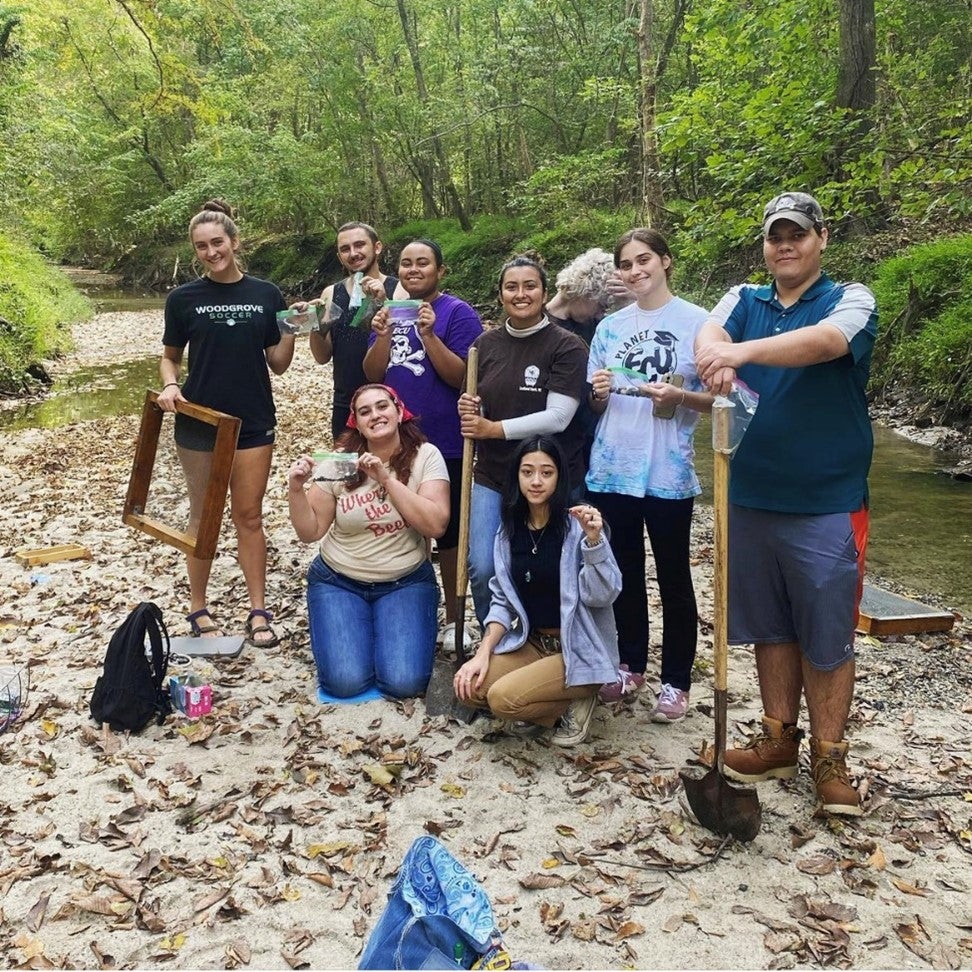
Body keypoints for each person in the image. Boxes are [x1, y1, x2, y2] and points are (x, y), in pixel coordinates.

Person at [694, 191, 877, 817]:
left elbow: (826, 343)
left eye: (797, 234)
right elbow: (709, 330)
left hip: (827, 499)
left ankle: (830, 756)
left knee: (826, 634)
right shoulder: (744, 300)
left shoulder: (850, 299)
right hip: (749, 493)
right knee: (769, 625)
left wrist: (737, 354)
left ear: (821, 238)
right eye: (776, 236)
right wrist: (714, 351)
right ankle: (777, 739)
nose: (785, 245)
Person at [586, 228, 713, 719]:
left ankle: (677, 681)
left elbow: (723, 398)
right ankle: (630, 664)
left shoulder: (700, 323)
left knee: (675, 576)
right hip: (614, 465)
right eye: (626, 264)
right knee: (626, 573)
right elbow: (596, 401)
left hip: (668, 470)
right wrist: (598, 392)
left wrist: (680, 397)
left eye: (644, 261)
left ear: (666, 261)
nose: (635, 271)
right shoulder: (610, 327)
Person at [159, 199, 294, 647]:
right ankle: (198, 608)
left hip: (253, 420)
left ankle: (258, 611)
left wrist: (295, 326)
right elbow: (169, 358)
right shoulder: (183, 299)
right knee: (204, 516)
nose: (211, 251)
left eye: (218, 242)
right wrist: (171, 386)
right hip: (200, 420)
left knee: (249, 515)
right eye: (201, 246)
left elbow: (278, 364)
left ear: (234, 242)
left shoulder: (266, 294)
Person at [453, 437, 621, 746]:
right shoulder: (509, 532)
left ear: (560, 478)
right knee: (469, 687)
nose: (536, 481)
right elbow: (501, 601)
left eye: (547, 472)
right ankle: (551, 706)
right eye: (527, 472)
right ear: (516, 477)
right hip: (533, 643)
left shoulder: (577, 529)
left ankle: (579, 698)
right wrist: (482, 653)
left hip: (577, 649)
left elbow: (604, 595)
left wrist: (595, 543)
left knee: (503, 700)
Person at [287, 384, 450, 699]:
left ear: (399, 411)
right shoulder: (340, 462)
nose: (375, 415)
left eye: (382, 406)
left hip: (405, 580)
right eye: (365, 412)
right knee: (345, 683)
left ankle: (388, 628)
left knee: (404, 683)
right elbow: (310, 531)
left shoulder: (426, 456)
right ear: (356, 423)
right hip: (339, 579)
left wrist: (386, 479)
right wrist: (296, 489)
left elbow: (436, 524)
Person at [364, 239, 483, 651]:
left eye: (423, 263)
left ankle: (453, 618)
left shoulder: (458, 312)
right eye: (407, 264)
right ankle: (405, 603)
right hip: (395, 441)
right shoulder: (389, 312)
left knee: (446, 533)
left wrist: (429, 335)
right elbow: (372, 374)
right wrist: (381, 335)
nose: (414, 270)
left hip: (446, 439)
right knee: (399, 522)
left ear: (440, 270)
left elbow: (464, 377)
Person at [458, 254, 589, 625]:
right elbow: (477, 403)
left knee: (551, 566)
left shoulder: (567, 346)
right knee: (483, 565)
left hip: (549, 477)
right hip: (494, 474)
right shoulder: (483, 345)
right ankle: (493, 641)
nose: (520, 294)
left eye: (529, 286)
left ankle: (550, 637)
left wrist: (493, 429)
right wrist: (471, 411)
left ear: (544, 293)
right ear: (500, 295)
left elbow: (559, 417)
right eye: (511, 287)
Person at [309, 222, 400, 439]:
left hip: (389, 403)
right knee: (348, 472)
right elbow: (322, 356)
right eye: (345, 249)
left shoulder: (398, 289)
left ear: (377, 247)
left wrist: (382, 302)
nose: (353, 253)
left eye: (360, 245)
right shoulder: (331, 293)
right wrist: (316, 322)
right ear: (339, 256)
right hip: (346, 403)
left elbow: (404, 342)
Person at [545, 247, 632, 348]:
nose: (600, 315)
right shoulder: (538, 325)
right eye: (601, 306)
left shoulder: (598, 325)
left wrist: (635, 297)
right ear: (586, 292)